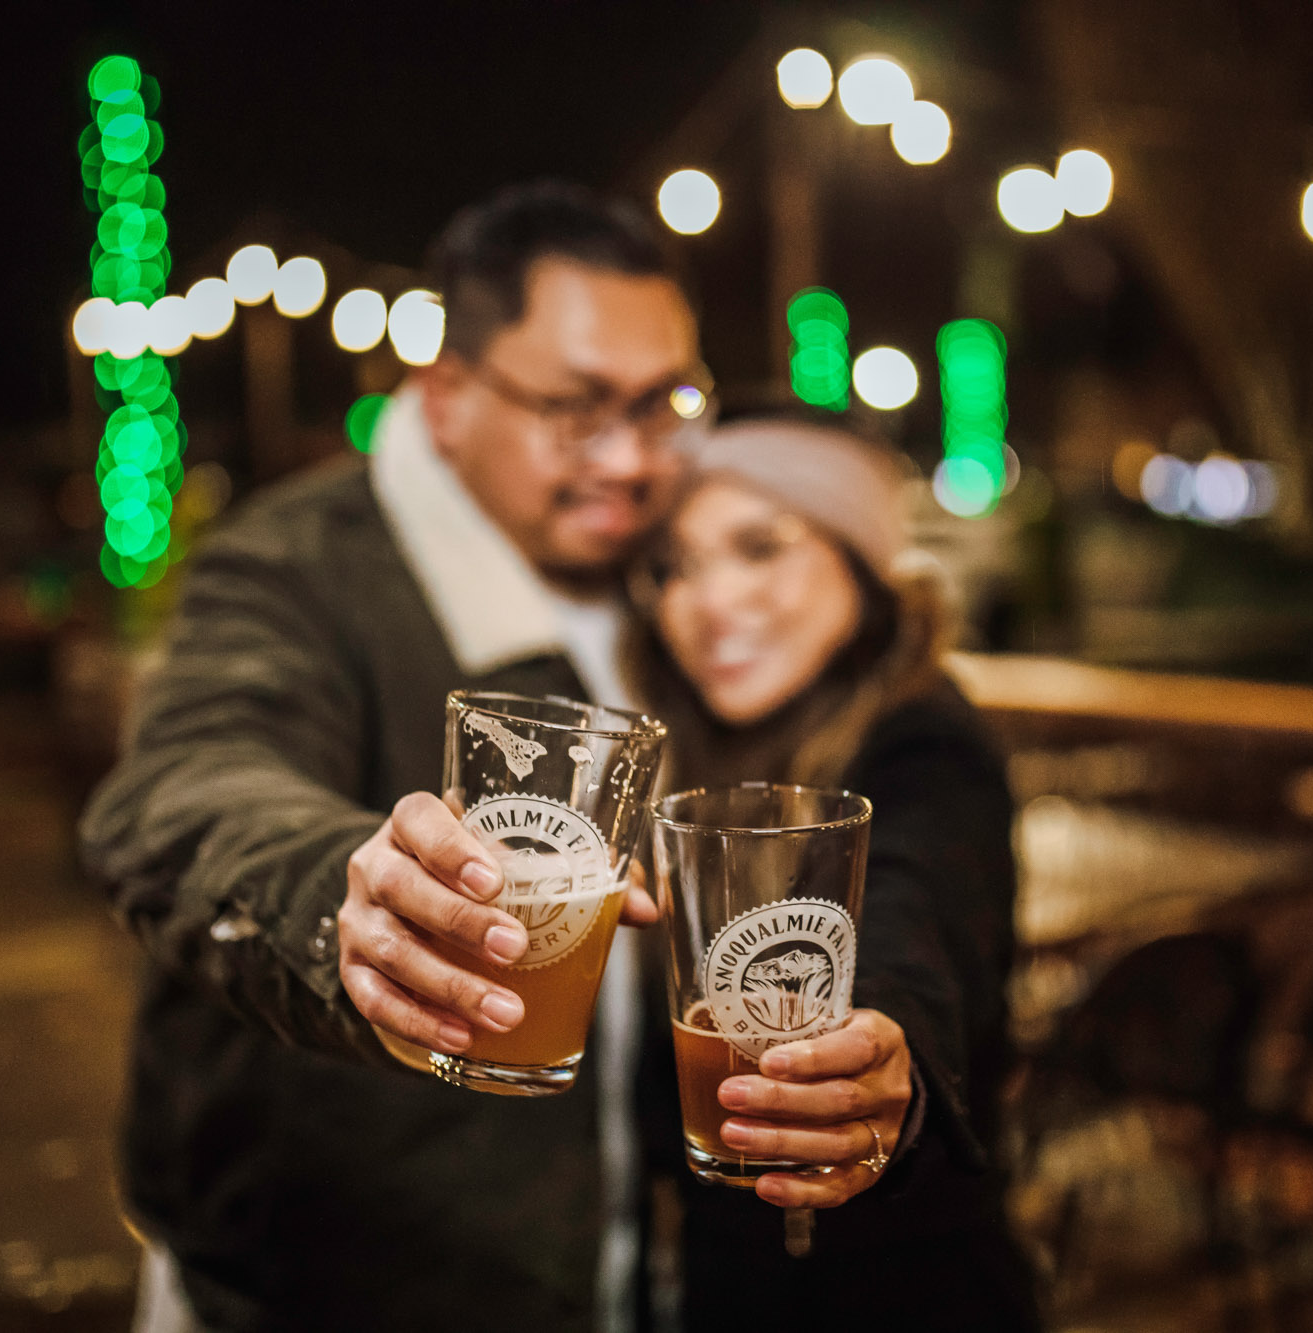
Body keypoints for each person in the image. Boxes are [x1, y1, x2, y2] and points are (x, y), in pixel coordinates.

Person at [80, 184, 923, 1332]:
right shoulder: (295, 570)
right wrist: (353, 899)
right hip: (324, 1286)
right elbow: (181, 795)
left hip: (608, 1268)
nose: (630, 459)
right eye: (574, 408)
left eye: (663, 402)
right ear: (445, 399)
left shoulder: (662, 574)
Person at [624, 417, 1040, 1331]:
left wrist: (889, 1044)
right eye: (673, 566)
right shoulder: (695, 760)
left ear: (860, 561)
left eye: (759, 546)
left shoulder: (926, 744)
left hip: (901, 1296)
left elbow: (915, 913)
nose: (708, 599)